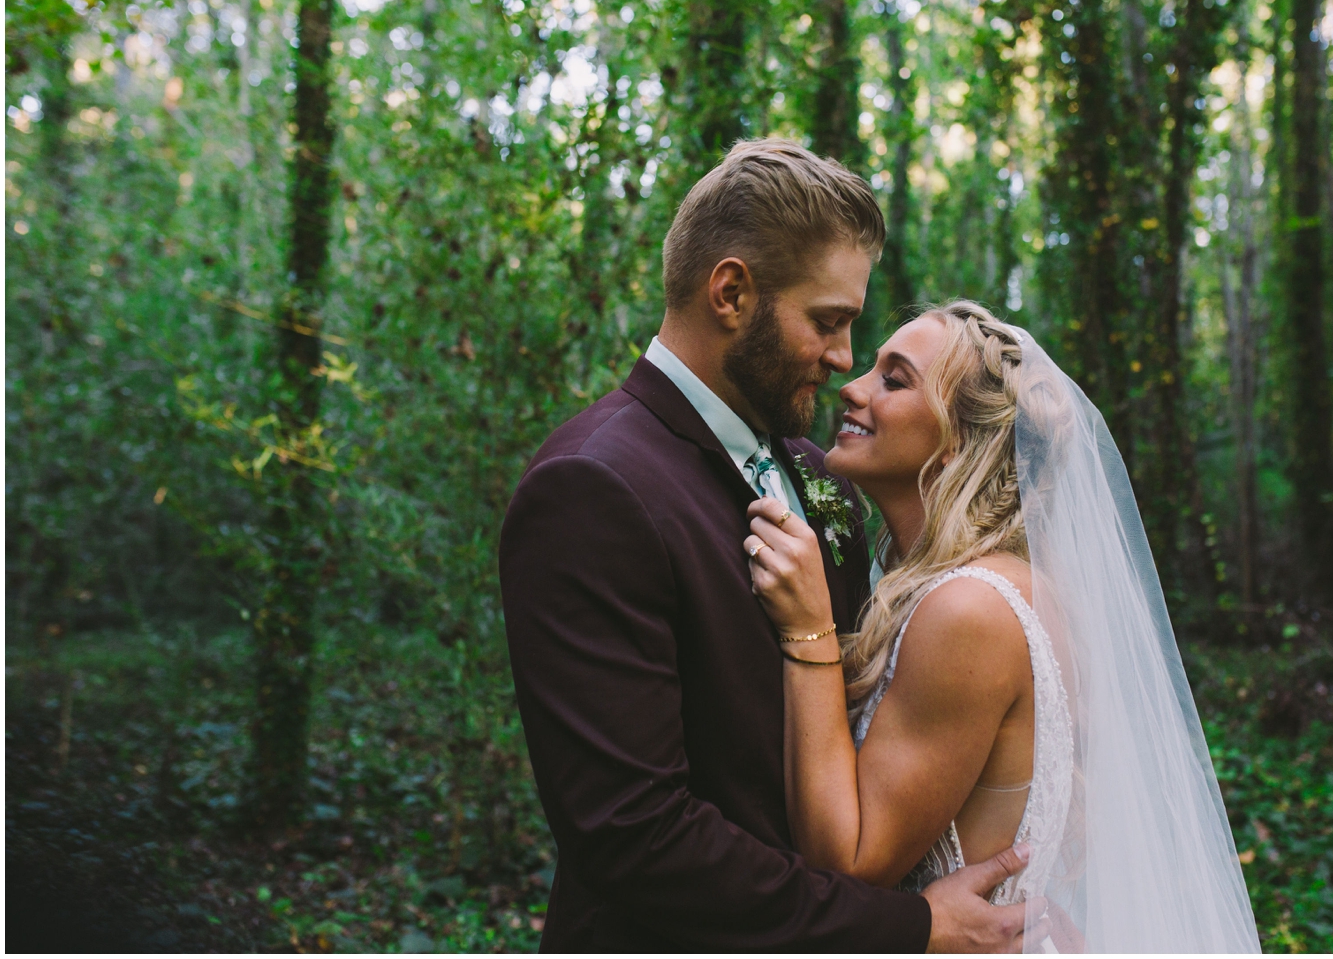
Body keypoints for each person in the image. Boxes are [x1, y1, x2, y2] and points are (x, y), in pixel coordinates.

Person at [498, 140, 1031, 951]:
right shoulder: (590, 488)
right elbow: (636, 839)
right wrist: (905, 926)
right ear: (733, 293)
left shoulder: (823, 475)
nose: (845, 358)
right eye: (828, 321)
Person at [744, 301, 1262, 952]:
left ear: (960, 439)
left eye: (894, 379)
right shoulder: (1007, 586)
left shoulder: (970, 609)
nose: (852, 385)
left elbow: (850, 860)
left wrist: (808, 630)